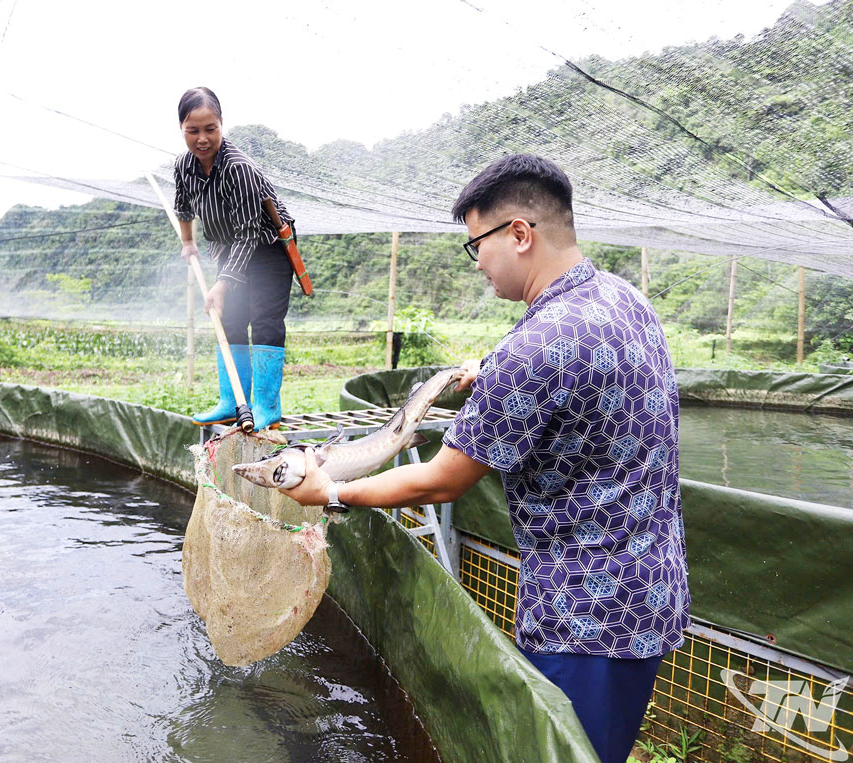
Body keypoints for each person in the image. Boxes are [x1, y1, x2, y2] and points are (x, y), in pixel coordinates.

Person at [282, 154, 689, 763]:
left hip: (585, 618)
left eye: (477, 246)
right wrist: (493, 373)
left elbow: (441, 480)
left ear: (520, 234)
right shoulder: (625, 301)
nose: (478, 266)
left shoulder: (537, 345)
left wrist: (332, 492)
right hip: (651, 591)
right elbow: (575, 387)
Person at [173, 86, 295, 431]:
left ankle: (266, 406)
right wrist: (188, 243)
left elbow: (248, 233)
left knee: (265, 320)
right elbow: (183, 207)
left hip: (268, 245)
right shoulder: (184, 167)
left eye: (210, 129)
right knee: (230, 321)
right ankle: (231, 401)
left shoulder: (238, 168)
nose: (202, 139)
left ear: (222, 124)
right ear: (181, 128)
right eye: (193, 130)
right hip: (230, 250)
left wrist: (223, 283)